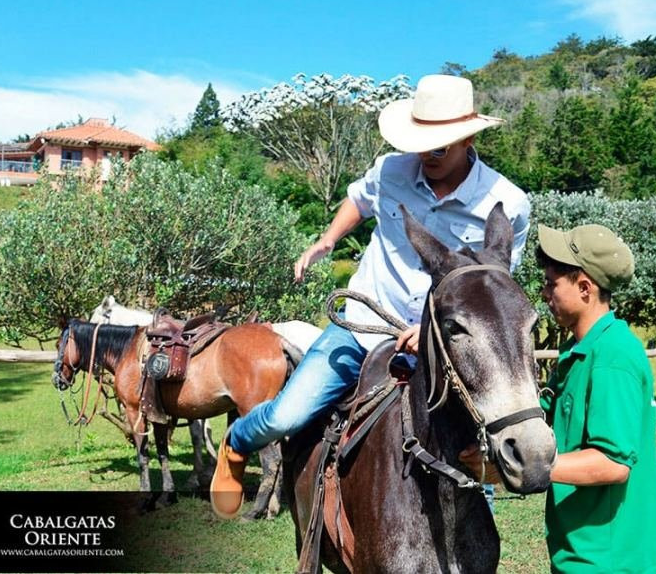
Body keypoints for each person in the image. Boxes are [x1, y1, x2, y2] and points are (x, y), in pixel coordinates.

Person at [208, 74, 532, 519]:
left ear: (469, 137)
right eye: (422, 142)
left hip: (441, 348)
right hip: (363, 326)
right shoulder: (392, 171)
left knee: (471, 450)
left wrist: (429, 331)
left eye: (439, 146)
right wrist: (326, 240)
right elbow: (360, 201)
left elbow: (491, 293)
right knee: (287, 415)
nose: (427, 155)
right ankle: (237, 443)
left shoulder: (506, 202)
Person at [461, 223, 656, 572]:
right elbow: (542, 417)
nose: (544, 294)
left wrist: (514, 469)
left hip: (611, 561)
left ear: (585, 288)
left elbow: (612, 464)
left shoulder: (613, 358)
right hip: (582, 551)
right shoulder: (578, 352)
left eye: (551, 283)